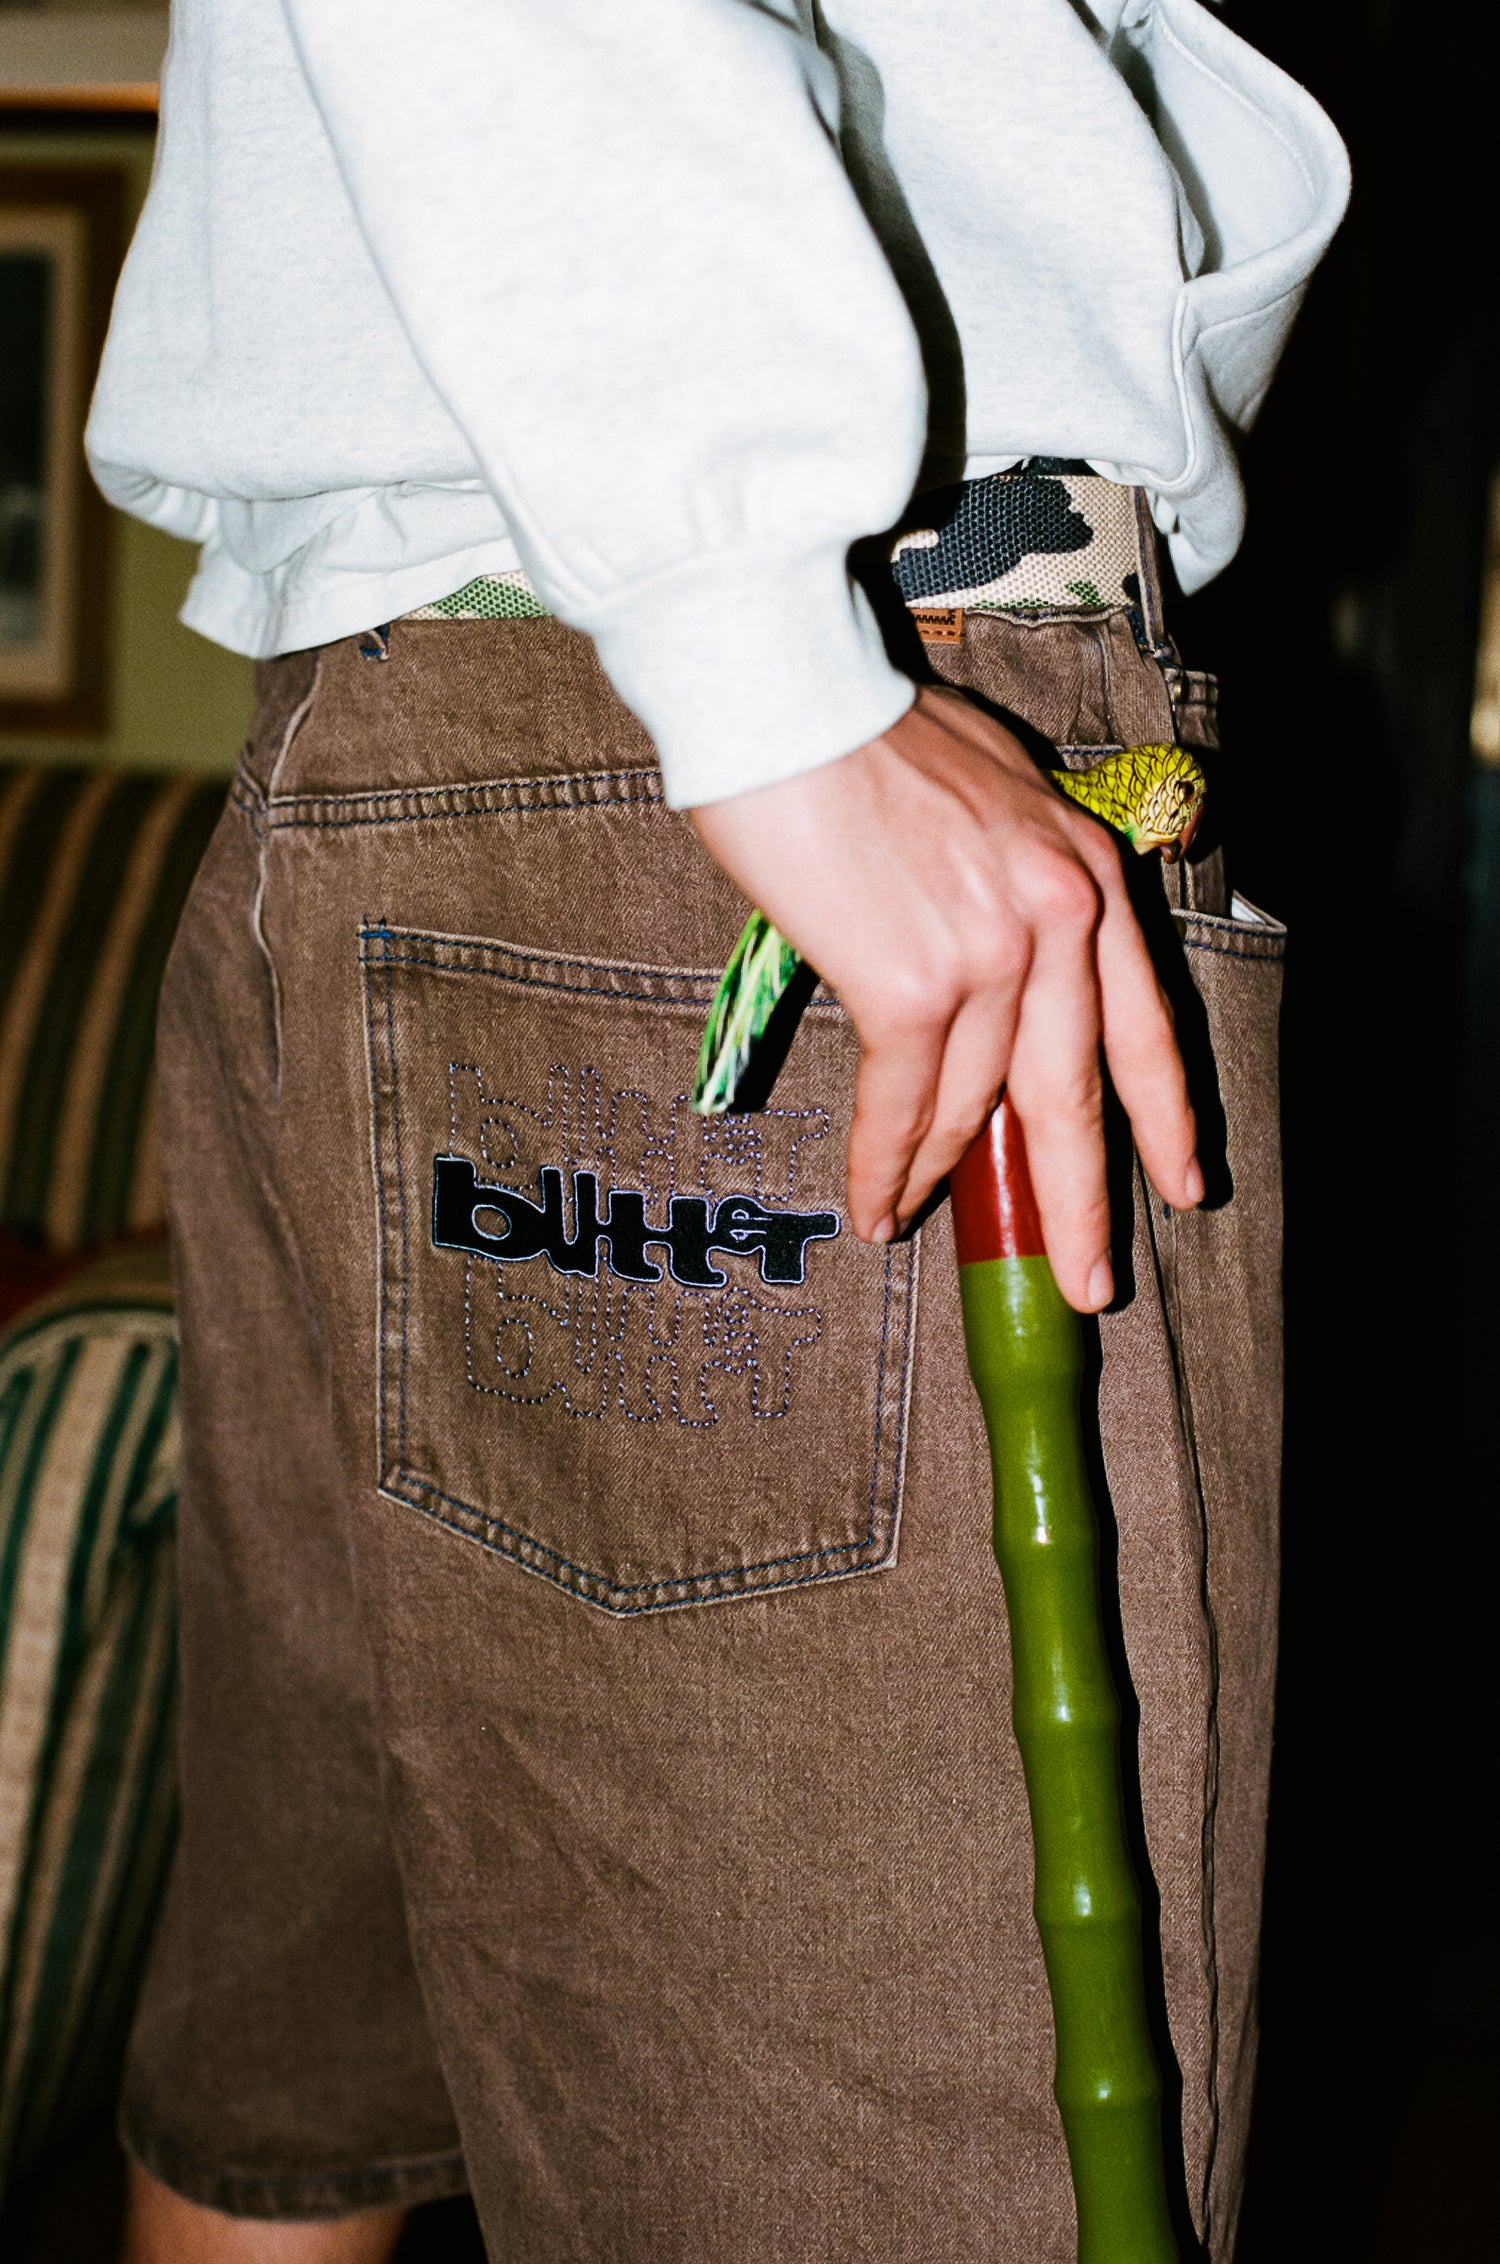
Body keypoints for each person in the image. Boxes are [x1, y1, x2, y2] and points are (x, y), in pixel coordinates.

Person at [88, 4, 1348, 2259]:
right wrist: (764, 653)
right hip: (800, 732)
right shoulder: (757, 642)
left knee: (300, 2034)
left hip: (390, 751)